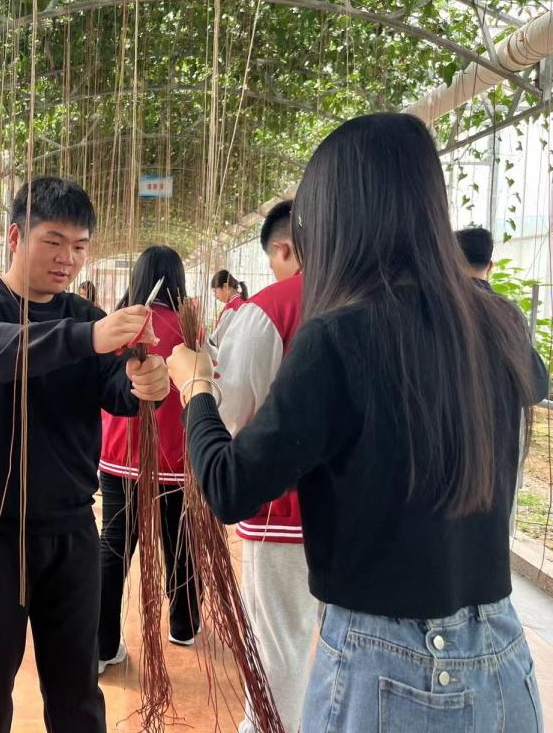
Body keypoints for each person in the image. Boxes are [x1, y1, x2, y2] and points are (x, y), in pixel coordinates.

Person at [168, 113, 548, 732]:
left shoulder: (341, 336)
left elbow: (231, 487)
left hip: (387, 666)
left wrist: (195, 386)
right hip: (502, 655)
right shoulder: (498, 321)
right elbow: (534, 382)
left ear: (338, 218)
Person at [0, 176, 170, 733]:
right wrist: (89, 338)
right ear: (15, 236)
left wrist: (148, 385)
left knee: (76, 692)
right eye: (54, 241)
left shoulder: (87, 317)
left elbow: (116, 391)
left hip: (69, 528)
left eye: (80, 246)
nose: (69, 258)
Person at [203, 199, 314, 733]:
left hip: (283, 512)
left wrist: (197, 388)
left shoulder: (273, 307)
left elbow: (231, 410)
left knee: (278, 649)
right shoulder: (376, 297)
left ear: (284, 248)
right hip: (365, 518)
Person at [96, 245, 199, 674]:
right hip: (174, 456)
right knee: (180, 538)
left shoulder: (116, 323)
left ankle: (100, 644)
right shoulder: (190, 329)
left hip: (119, 453)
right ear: (178, 279)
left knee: (114, 543)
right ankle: (184, 624)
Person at [209, 269, 247, 342]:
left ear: (225, 286)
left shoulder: (232, 307)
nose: (215, 296)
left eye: (215, 291)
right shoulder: (242, 301)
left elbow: (216, 340)